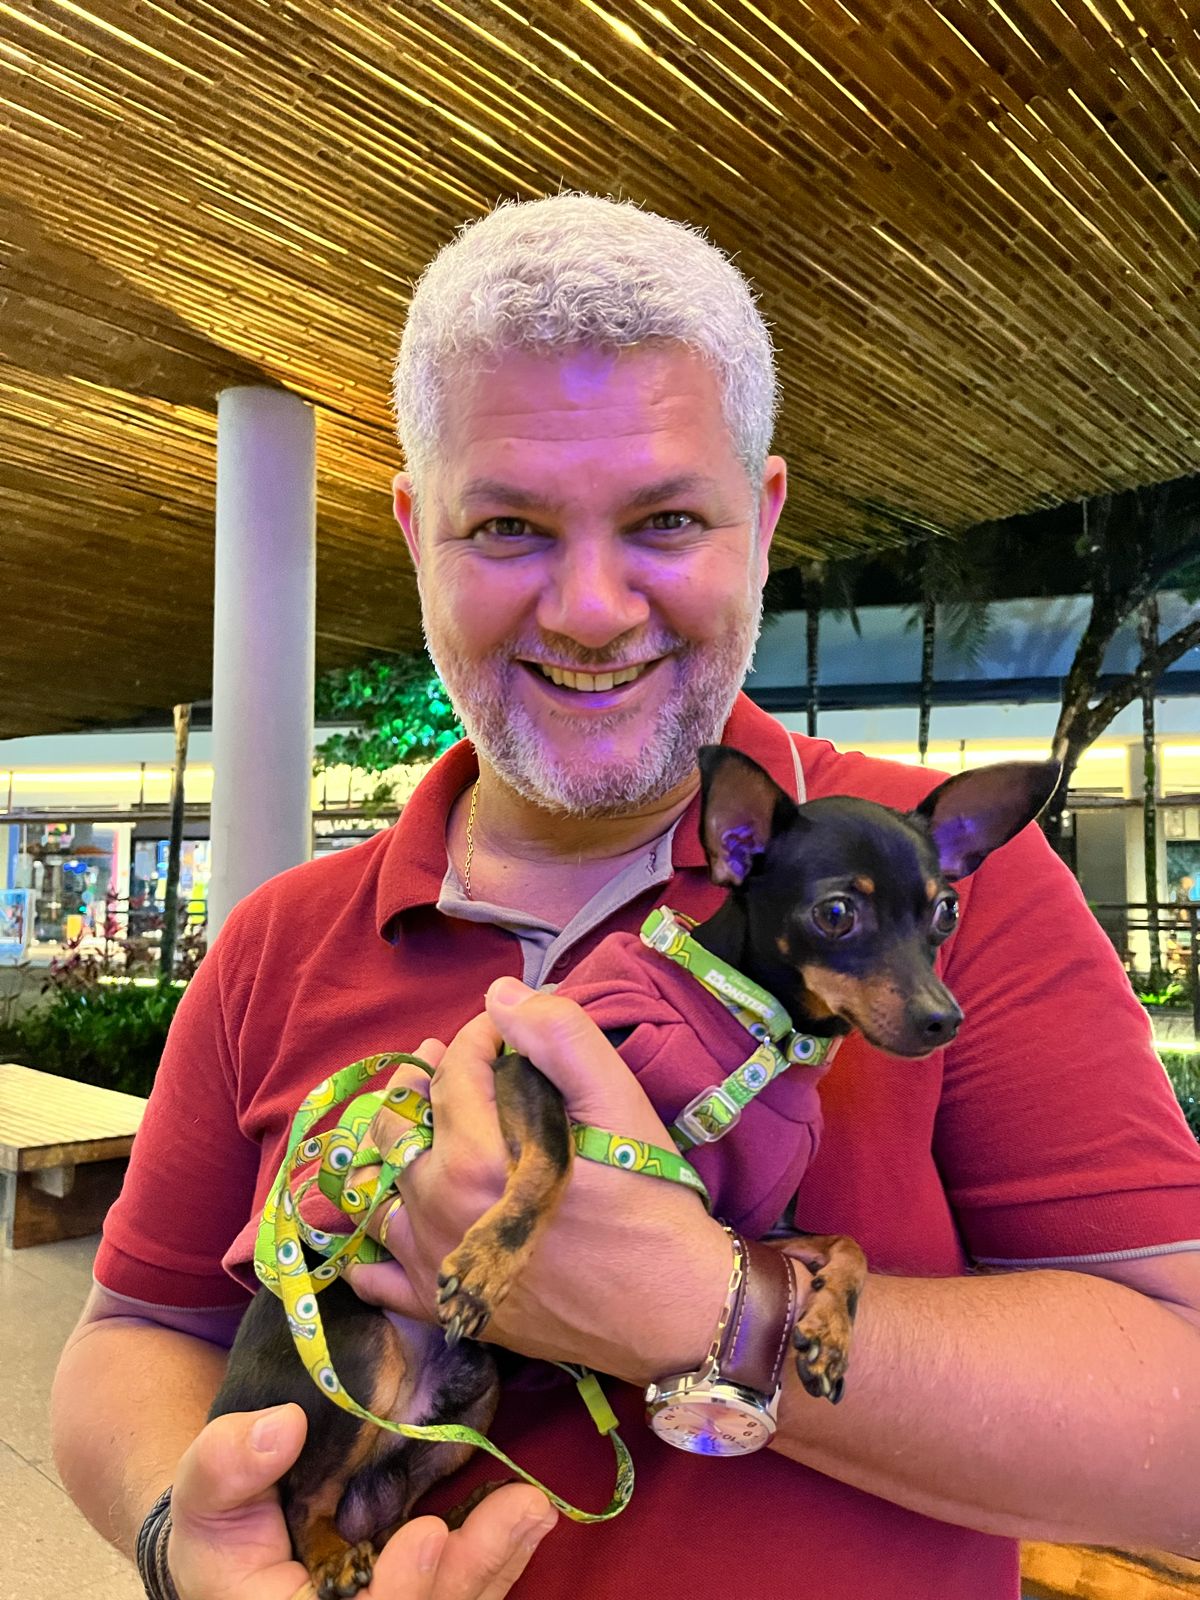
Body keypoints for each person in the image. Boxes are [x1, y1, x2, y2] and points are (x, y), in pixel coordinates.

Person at [53, 194, 1200, 1600]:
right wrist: (186, 1545)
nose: (592, 608)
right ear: (417, 532)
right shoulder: (277, 942)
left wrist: (705, 1310)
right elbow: (137, 1336)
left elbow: (1180, 1433)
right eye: (507, 525)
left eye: (666, 518)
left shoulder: (947, 892)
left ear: (761, 521)